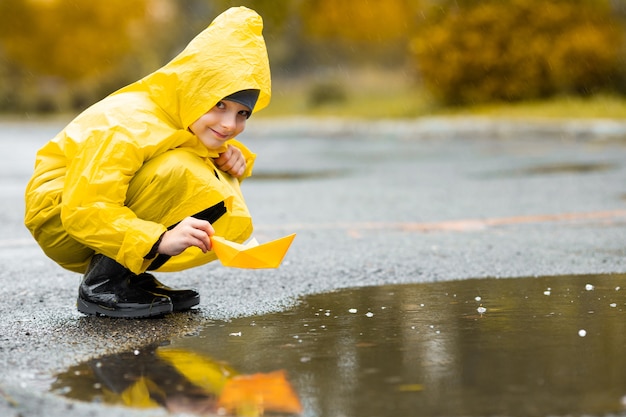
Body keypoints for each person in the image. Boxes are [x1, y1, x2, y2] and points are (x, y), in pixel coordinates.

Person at [23, 7, 271, 318]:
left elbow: (194, 169)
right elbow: (85, 208)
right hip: (60, 216)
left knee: (194, 170)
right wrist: (158, 240)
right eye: (218, 104)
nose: (228, 125)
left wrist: (230, 160)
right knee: (180, 170)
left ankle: (130, 277)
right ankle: (102, 285)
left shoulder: (177, 115)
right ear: (195, 90)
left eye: (241, 113)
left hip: (82, 212)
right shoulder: (129, 122)